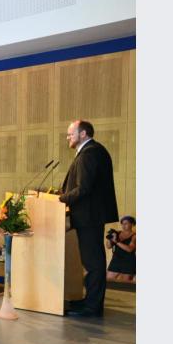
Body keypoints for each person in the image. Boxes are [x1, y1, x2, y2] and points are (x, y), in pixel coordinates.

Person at [60, 120, 119, 317]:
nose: (68, 137)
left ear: (83, 134)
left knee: (93, 263)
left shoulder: (90, 153)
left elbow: (83, 189)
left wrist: (60, 199)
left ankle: (92, 308)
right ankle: (90, 301)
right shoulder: (91, 151)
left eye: (70, 134)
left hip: (89, 216)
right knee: (92, 262)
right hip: (89, 216)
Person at [106, 215, 136, 283]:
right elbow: (108, 246)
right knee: (108, 282)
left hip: (128, 262)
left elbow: (130, 249)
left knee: (125, 284)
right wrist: (110, 239)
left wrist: (116, 241)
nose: (123, 225)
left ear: (132, 224)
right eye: (122, 223)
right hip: (115, 260)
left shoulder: (134, 236)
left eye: (126, 223)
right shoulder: (117, 233)